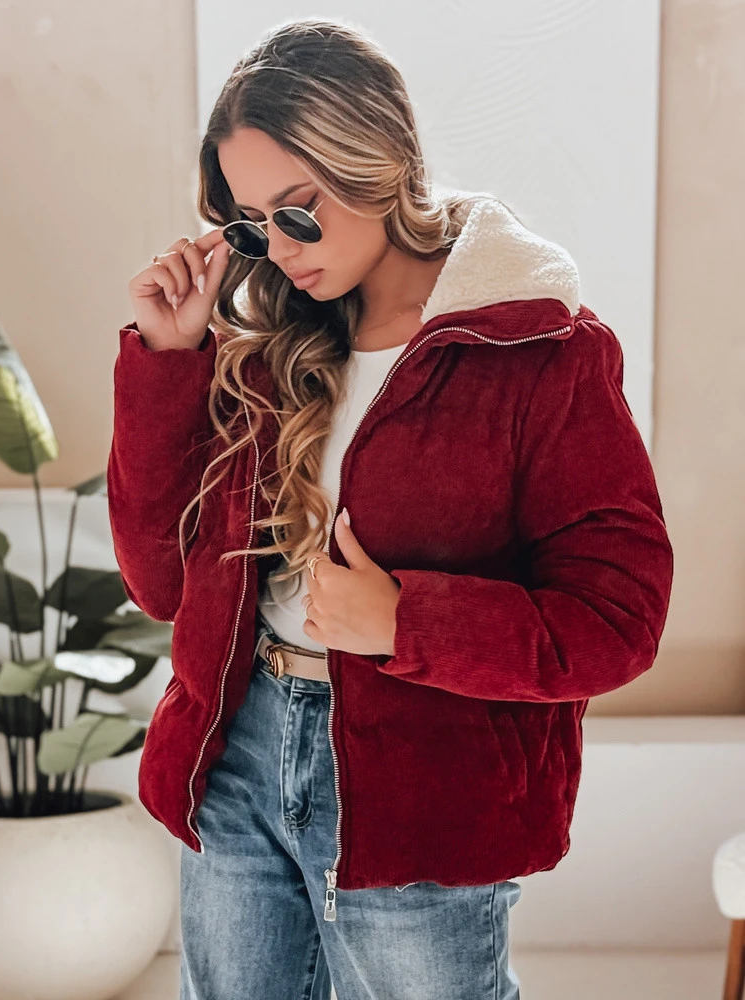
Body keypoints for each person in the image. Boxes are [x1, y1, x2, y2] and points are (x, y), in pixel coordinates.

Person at [107, 17, 674, 1000]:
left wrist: (405, 621)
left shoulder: (540, 352)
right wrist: (168, 357)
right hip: (236, 756)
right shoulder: (266, 355)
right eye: (252, 225)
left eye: (300, 211)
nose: (279, 249)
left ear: (378, 160)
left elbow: (618, 619)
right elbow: (161, 584)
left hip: (423, 789)